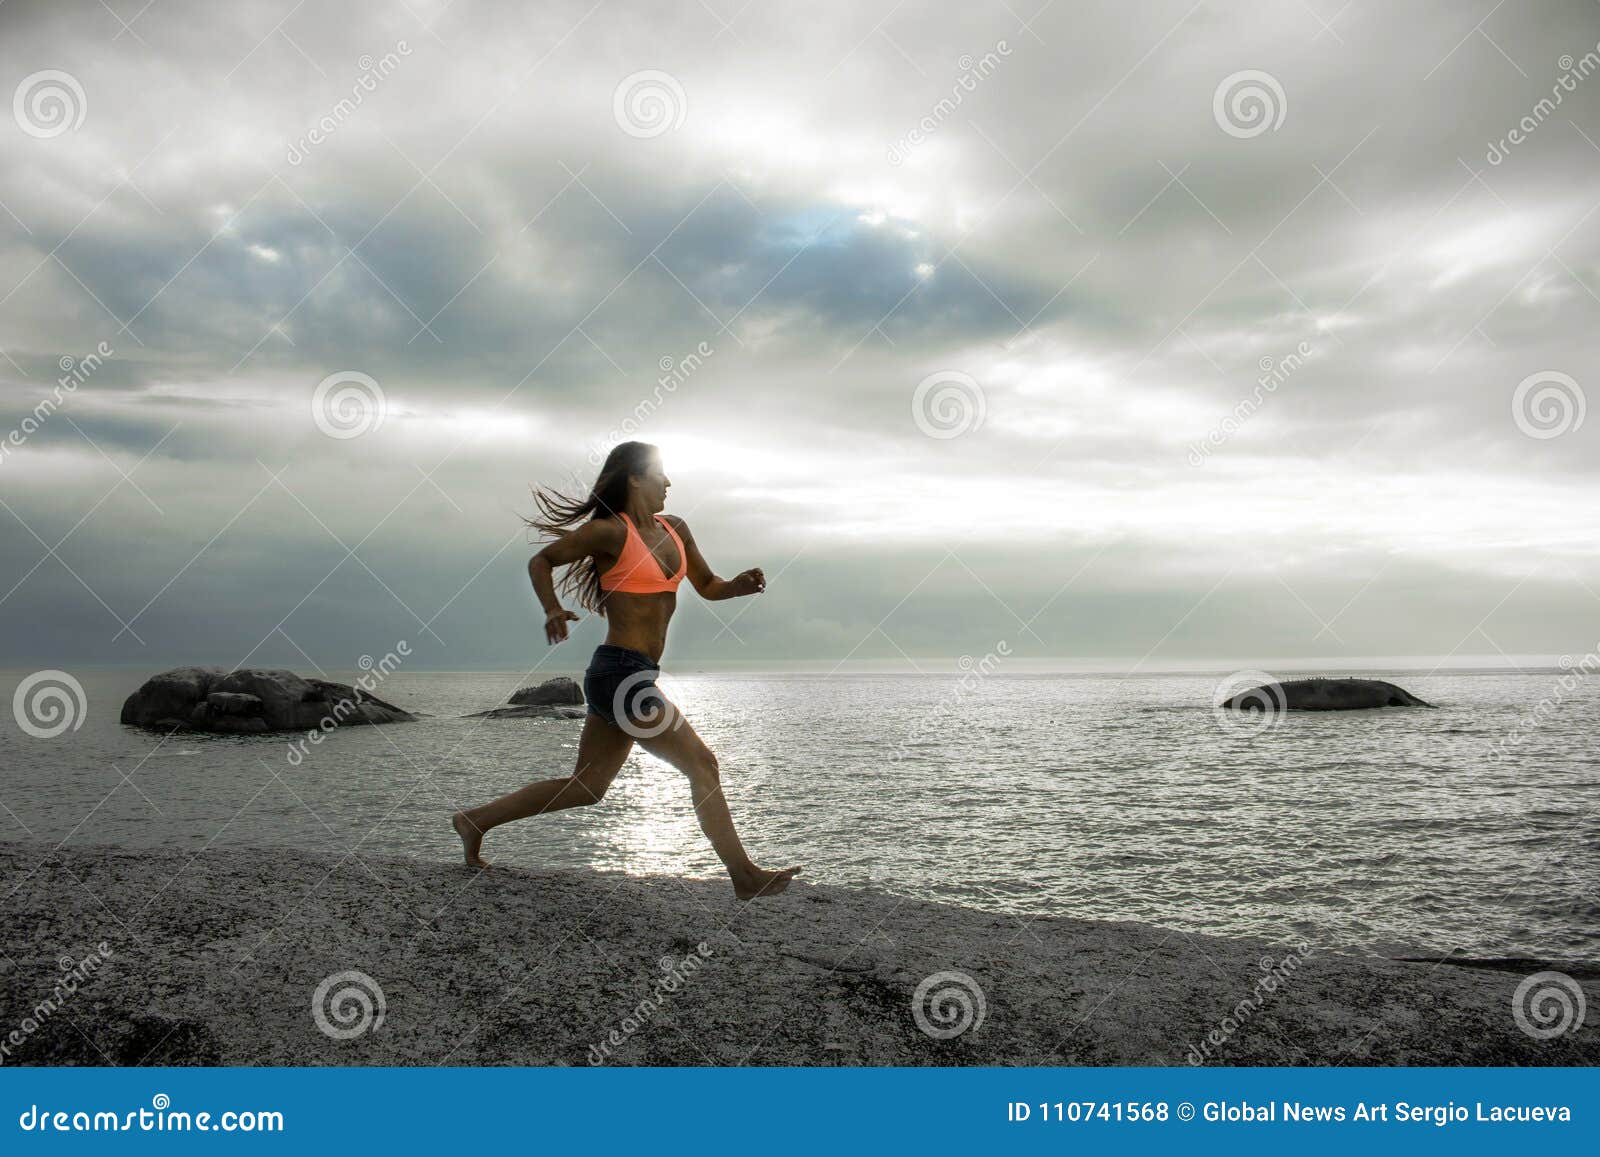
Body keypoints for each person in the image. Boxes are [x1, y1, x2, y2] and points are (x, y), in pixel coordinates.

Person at [451, 441, 802, 900]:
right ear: (635, 478)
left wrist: (738, 586)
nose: (669, 484)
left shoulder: (675, 529)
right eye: (661, 475)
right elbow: (542, 561)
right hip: (620, 676)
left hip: (627, 676)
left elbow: (709, 586)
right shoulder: (608, 533)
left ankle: (474, 820)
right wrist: (552, 608)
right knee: (703, 764)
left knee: (588, 787)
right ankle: (744, 876)